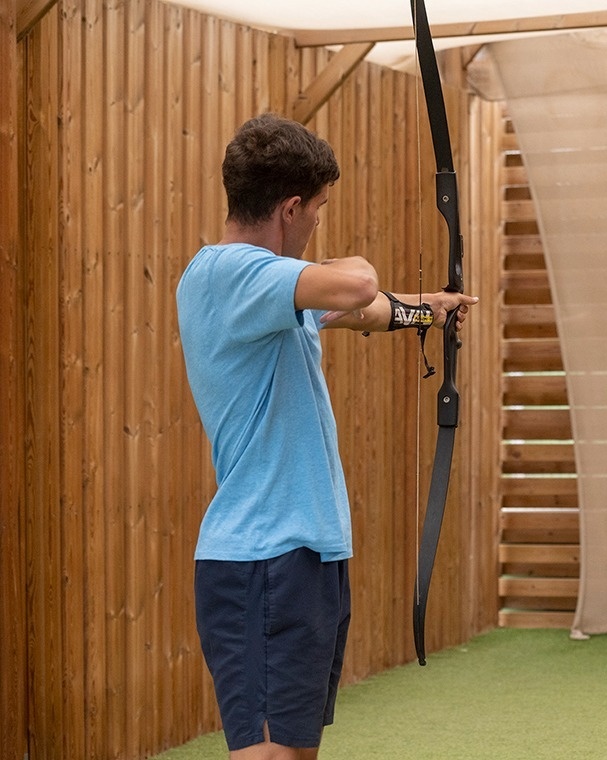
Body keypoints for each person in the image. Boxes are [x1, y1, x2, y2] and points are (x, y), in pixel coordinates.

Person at [176, 113, 477, 760]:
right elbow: (358, 283)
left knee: (296, 750)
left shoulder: (277, 295)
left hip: (307, 556)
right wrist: (372, 285)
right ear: (290, 207)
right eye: (318, 209)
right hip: (257, 556)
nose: (319, 222)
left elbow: (366, 308)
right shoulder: (226, 275)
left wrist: (429, 307)